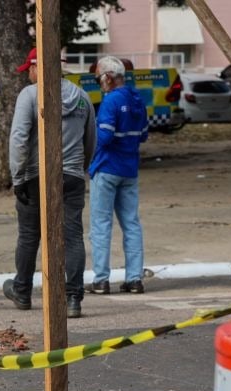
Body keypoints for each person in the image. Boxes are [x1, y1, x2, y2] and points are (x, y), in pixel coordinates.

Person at [3, 48, 96, 318]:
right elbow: (91, 139)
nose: (28, 75)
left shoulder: (30, 95)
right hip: (72, 176)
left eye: (29, 69)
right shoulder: (81, 97)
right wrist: (79, 168)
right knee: (73, 237)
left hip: (35, 176)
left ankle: (22, 291)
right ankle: (73, 298)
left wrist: (18, 177)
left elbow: (19, 139)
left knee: (30, 235)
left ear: (37, 67)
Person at [87, 55, 149, 295]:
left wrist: (89, 157)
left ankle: (101, 279)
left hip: (106, 168)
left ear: (109, 78)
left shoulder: (110, 101)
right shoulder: (137, 99)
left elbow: (104, 137)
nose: (98, 83)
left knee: (101, 225)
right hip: (129, 168)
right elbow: (143, 135)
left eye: (98, 78)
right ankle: (134, 278)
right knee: (131, 224)